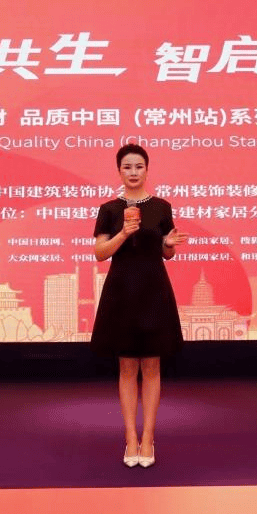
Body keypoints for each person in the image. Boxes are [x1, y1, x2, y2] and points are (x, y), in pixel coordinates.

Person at [91, 143, 187, 468]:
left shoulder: (161, 207)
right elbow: (100, 253)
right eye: (127, 167)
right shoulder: (109, 209)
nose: (133, 172)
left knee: (152, 367)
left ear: (147, 169)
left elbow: (167, 253)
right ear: (119, 171)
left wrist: (168, 245)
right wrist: (122, 233)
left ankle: (148, 438)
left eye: (139, 166)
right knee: (127, 368)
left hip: (153, 291)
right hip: (121, 293)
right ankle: (130, 436)